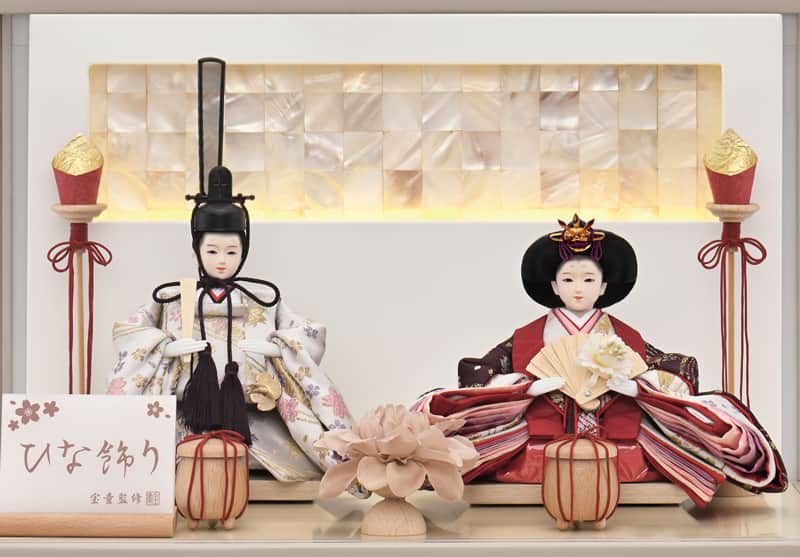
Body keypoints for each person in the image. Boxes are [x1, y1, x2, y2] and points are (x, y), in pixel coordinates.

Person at [418, 215, 786, 506]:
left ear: (604, 287)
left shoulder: (624, 336)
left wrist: (637, 387)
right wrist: (524, 387)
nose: (578, 288)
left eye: (588, 279)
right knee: (473, 442)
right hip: (540, 426)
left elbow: (671, 368)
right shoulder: (528, 336)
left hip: (614, 427)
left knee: (690, 433)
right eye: (568, 279)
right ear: (554, 286)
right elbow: (479, 373)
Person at [107, 58, 352, 483]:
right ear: (196, 250)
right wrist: (164, 347)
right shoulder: (172, 297)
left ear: (244, 250)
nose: (222, 259)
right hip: (187, 413)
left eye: (231, 251)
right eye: (213, 250)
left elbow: (308, 334)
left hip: (254, 414)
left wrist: (280, 348)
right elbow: (129, 332)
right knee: (159, 451)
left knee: (293, 429)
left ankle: (339, 465)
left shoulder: (262, 298)